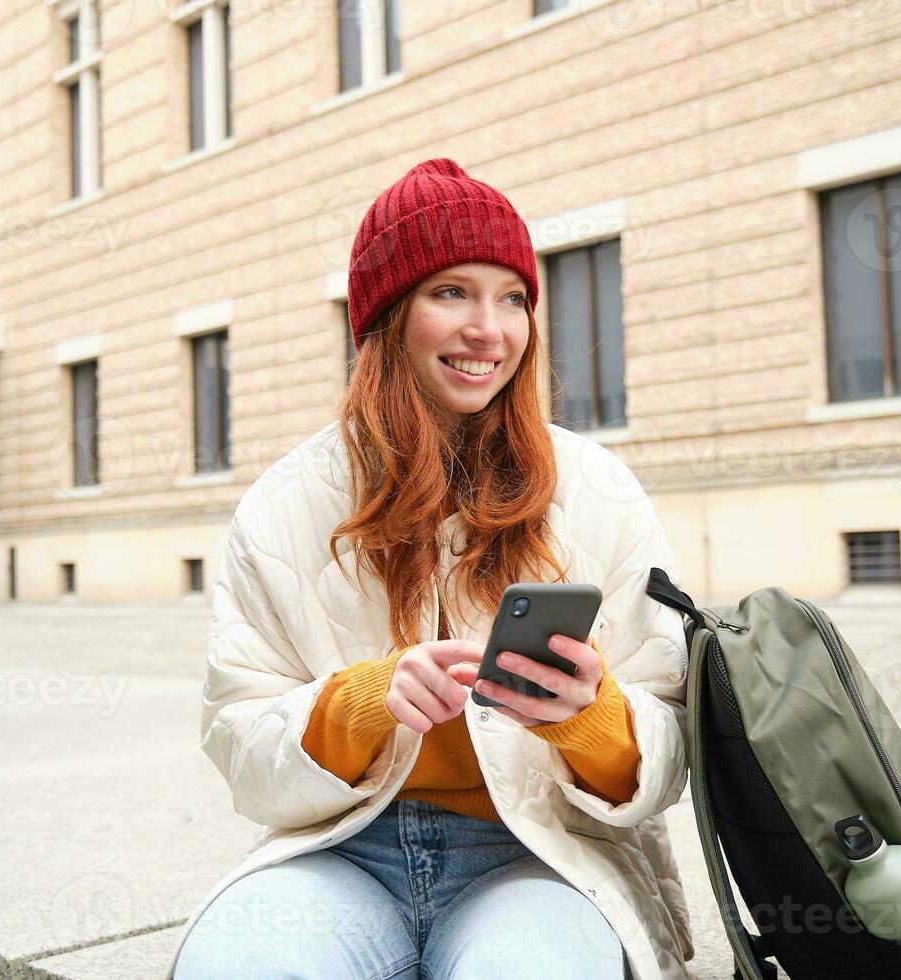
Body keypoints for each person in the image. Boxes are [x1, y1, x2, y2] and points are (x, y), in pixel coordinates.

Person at [167, 158, 695, 979]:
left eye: (512, 298)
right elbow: (238, 747)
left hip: (540, 856)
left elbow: (668, 751)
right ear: (384, 318)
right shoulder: (283, 506)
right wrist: (363, 703)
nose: (490, 329)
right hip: (342, 849)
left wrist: (590, 718)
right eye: (451, 292)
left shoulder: (601, 493)